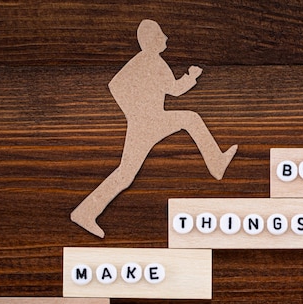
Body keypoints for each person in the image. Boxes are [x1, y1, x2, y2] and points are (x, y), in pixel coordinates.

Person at [71, 19, 238, 238]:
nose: (166, 38)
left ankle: (86, 212)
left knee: (129, 171)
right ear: (151, 41)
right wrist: (190, 77)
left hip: (151, 121)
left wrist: (135, 111)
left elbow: (120, 86)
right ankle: (85, 212)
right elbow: (173, 90)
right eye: (161, 35)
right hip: (148, 122)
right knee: (128, 172)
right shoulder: (152, 62)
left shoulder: (146, 61)